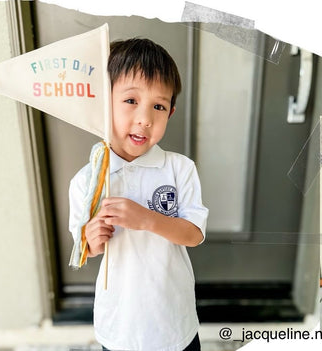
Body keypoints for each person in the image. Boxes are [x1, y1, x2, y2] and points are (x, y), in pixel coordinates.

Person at [69, 38, 208, 351]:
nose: (145, 118)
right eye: (131, 100)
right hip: (120, 325)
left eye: (158, 106)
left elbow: (194, 234)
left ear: (170, 113)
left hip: (174, 322)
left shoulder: (178, 168)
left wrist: (147, 219)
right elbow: (84, 250)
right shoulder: (89, 180)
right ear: (103, 103)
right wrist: (92, 238)